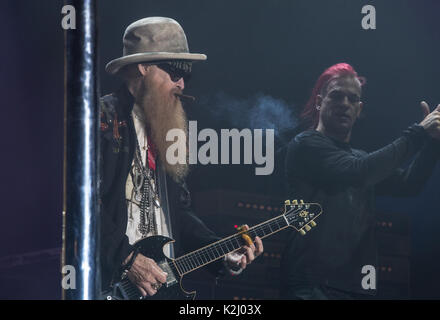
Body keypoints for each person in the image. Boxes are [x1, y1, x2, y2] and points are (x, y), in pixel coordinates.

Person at [99, 17, 263, 297]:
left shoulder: (167, 130)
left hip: (160, 287)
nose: (182, 84)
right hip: (112, 284)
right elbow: (80, 206)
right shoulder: (102, 118)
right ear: (144, 67)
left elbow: (179, 214)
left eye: (187, 75)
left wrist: (221, 253)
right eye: (175, 72)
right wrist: (127, 259)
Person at [281, 63, 440, 299]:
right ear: (319, 101)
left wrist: (433, 143)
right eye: (336, 96)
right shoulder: (306, 145)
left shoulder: (359, 158)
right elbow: (359, 172)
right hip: (312, 287)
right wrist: (418, 133)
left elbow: (409, 184)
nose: (345, 103)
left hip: (355, 287)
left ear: (359, 108)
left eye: (352, 99)